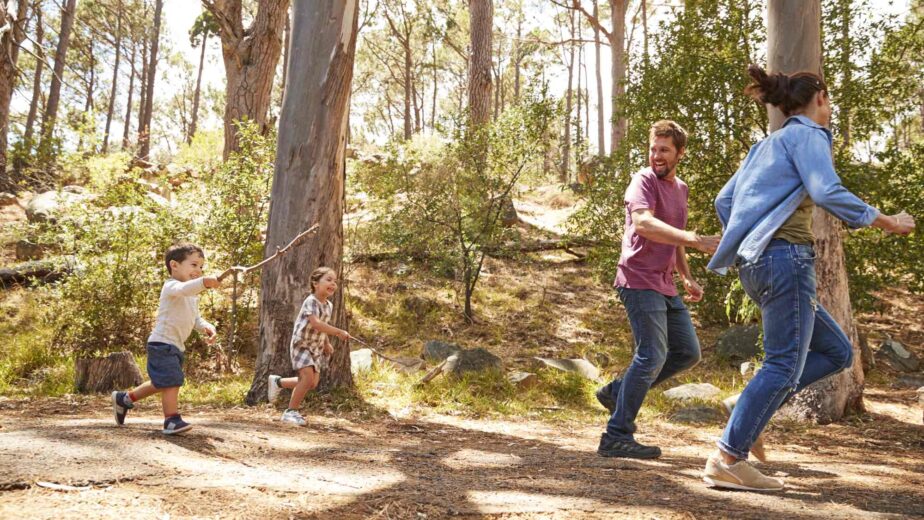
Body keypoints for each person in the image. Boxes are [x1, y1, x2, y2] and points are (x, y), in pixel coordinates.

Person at [703, 64, 915, 491]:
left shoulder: (767, 145)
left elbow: (724, 200)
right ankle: (728, 457)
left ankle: (748, 406)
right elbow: (826, 191)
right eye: (830, 99)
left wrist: (751, 237)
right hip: (785, 261)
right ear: (819, 97)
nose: (831, 106)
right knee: (782, 364)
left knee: (837, 351)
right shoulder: (808, 135)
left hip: (758, 264)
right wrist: (887, 221)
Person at [596, 120, 721, 459]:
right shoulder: (643, 180)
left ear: (680, 152)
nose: (656, 155)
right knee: (652, 354)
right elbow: (645, 223)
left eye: (664, 149)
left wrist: (687, 277)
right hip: (637, 278)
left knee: (687, 353)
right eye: (653, 148)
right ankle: (616, 435)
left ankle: (618, 392)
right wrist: (696, 240)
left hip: (664, 284)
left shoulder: (680, 189)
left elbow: (673, 236)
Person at [111, 244, 221, 435]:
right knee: (172, 380)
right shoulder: (171, 286)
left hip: (176, 346)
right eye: (194, 265)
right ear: (174, 265)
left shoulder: (191, 296)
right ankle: (171, 420)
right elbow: (184, 289)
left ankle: (124, 399)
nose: (198, 270)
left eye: (201, 267)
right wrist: (204, 282)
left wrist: (206, 326)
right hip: (162, 343)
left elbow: (194, 318)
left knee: (161, 382)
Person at [267, 267, 350, 426]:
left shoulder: (329, 305)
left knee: (311, 383)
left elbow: (323, 326)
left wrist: (326, 343)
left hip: (316, 347)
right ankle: (290, 412)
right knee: (307, 378)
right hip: (302, 344)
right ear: (315, 283)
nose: (333, 284)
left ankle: (278, 382)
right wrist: (338, 332)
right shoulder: (311, 301)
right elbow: (316, 324)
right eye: (328, 279)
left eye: (335, 281)